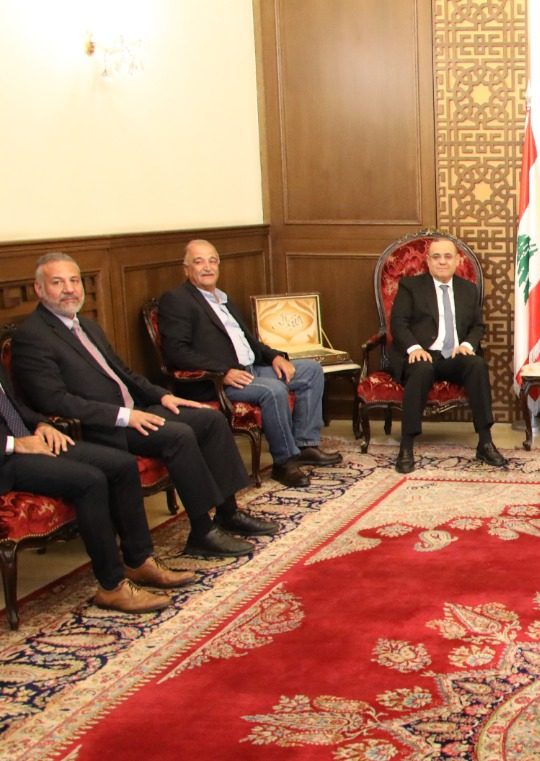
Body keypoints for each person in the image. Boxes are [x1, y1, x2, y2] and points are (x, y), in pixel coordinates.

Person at [13, 252, 279, 559]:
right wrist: (125, 416)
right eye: (58, 283)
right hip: (100, 426)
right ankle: (202, 532)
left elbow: (124, 373)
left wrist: (162, 396)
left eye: (74, 281)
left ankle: (228, 512)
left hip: (136, 409)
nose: (69, 289)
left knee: (210, 419)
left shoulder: (86, 325)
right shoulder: (32, 337)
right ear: (39, 289)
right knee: (178, 435)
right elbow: (54, 400)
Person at [0, 362, 195, 613]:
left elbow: (14, 406)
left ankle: (139, 561)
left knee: (122, 465)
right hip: (7, 460)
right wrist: (14, 444)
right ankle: (111, 587)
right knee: (90, 481)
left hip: (31, 442)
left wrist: (42, 425)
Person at [157, 239, 341, 488]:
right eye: (199, 262)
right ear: (186, 268)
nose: (207, 267)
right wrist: (223, 372)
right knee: (274, 390)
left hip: (251, 370)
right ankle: (284, 462)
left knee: (311, 370)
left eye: (212, 261)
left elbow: (249, 340)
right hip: (217, 381)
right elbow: (176, 352)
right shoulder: (176, 300)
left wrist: (275, 357)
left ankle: (306, 444)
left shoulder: (223, 299)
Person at [389, 236, 506, 473]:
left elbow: (477, 326)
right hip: (422, 355)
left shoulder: (468, 289)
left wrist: (467, 345)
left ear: (457, 260)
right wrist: (414, 348)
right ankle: (406, 446)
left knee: (476, 365)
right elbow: (398, 323)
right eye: (436, 257)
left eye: (447, 256)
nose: (442, 261)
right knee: (422, 369)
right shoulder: (411, 286)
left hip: (453, 355)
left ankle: (485, 442)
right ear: (428, 261)